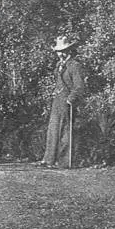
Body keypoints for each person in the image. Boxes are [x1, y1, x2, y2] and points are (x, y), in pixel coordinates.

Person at [38, 35, 86, 168]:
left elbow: (79, 86)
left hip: (68, 101)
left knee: (65, 130)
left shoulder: (75, 66)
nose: (60, 54)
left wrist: (71, 97)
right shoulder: (59, 65)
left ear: (69, 50)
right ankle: (49, 159)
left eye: (63, 50)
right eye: (58, 51)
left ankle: (64, 162)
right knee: (53, 129)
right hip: (57, 100)